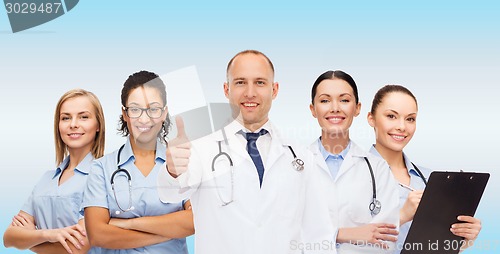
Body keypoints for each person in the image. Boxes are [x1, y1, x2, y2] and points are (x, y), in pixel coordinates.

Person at [157, 50, 335, 254]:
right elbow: (169, 193)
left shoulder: (301, 157)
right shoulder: (201, 148)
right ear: (227, 89)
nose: (250, 93)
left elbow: (318, 234)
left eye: (260, 82)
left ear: (274, 90)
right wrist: (173, 170)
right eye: (240, 82)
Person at [82, 71, 193, 254]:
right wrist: (168, 232)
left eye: (153, 109)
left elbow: (195, 220)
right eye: (135, 109)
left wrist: (129, 223)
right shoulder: (101, 168)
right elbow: (98, 235)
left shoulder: (182, 161)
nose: (144, 118)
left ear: (164, 113)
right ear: (124, 114)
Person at [367, 84, 482, 253]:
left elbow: (438, 245)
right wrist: (402, 216)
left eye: (410, 119)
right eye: (391, 116)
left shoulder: (431, 179)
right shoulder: (350, 174)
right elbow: (339, 241)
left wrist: (463, 238)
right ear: (371, 119)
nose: (402, 127)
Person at [3, 89, 105, 254]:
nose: (73, 124)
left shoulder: (103, 176)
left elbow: (77, 246)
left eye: (83, 117)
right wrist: (48, 234)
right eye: (65, 118)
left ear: (98, 125)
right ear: (58, 126)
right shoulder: (46, 179)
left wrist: (30, 239)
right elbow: (8, 238)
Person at [308, 70, 400, 253]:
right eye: (325, 100)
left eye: (344, 100)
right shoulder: (294, 165)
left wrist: (320, 237)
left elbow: (386, 241)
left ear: (357, 108)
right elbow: (285, 234)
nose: (335, 108)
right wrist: (345, 234)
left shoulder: (378, 169)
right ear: (313, 109)